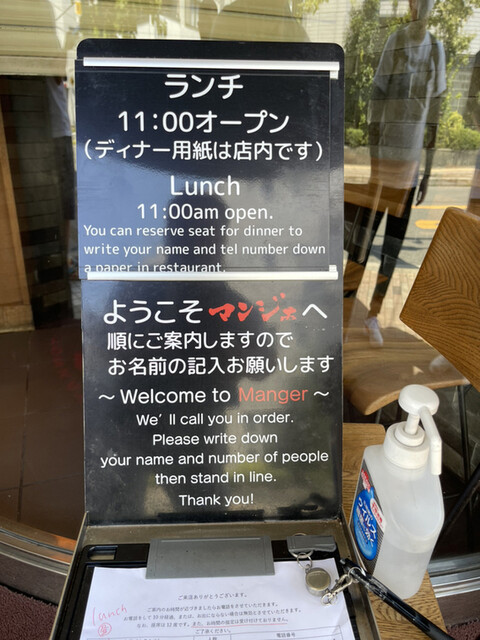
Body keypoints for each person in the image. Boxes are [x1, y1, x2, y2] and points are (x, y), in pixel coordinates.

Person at [343, 0, 446, 346]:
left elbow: (435, 114)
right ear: (411, 5)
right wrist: (375, 162)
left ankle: (373, 315)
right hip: (384, 165)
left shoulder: (436, 49)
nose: (422, 7)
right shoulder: (395, 42)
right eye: (417, 1)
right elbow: (376, 98)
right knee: (361, 243)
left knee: (392, 248)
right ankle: (344, 309)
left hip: (411, 170)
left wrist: (427, 171)